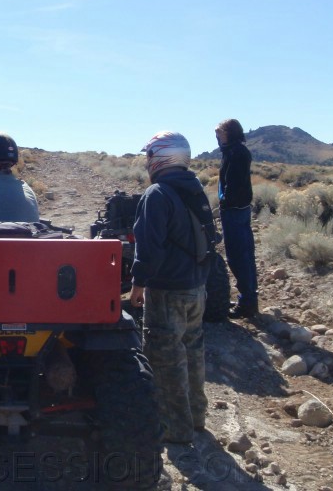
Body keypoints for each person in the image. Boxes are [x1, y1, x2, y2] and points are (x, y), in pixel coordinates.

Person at [130, 131, 209, 445]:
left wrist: (138, 284)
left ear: (158, 158)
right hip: (195, 286)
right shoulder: (195, 188)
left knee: (165, 358)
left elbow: (149, 247)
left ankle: (173, 428)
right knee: (192, 352)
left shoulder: (158, 193)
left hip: (167, 289)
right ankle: (196, 417)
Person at [215, 118, 259, 319]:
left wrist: (224, 202)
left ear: (229, 133)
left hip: (234, 210)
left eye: (220, 133)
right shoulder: (234, 151)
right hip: (238, 208)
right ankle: (249, 299)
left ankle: (247, 302)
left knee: (238, 255)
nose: (217, 137)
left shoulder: (235, 153)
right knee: (245, 253)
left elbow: (233, 185)